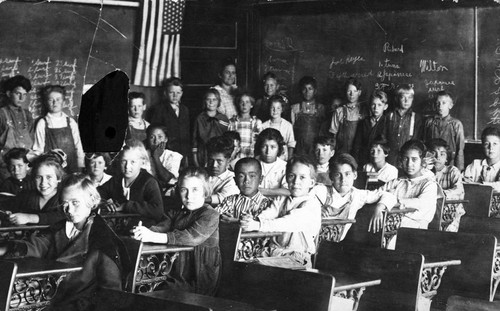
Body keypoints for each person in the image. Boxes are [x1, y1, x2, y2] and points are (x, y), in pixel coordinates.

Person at [0, 174, 128, 310]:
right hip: (51, 295)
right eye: (64, 204)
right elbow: (39, 244)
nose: (69, 210)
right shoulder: (61, 228)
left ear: (92, 200)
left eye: (75, 203)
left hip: (79, 303)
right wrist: (7, 248)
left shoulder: (103, 240)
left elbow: (111, 292)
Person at [132, 167, 221, 295]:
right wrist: (144, 232)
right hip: (172, 270)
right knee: (140, 283)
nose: (189, 196)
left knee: (152, 290)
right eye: (184, 190)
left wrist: (152, 236)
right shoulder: (177, 212)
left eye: (195, 190)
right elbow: (162, 226)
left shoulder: (210, 215)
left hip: (197, 276)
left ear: (205, 191)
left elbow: (191, 237)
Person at [241, 156, 322, 268]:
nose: (296, 182)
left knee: (257, 268)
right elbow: (266, 215)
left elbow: (287, 223)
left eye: (302, 177)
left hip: (297, 258)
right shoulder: (281, 199)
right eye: (292, 176)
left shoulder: (311, 205)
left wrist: (258, 225)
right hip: (272, 252)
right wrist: (251, 220)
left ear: (312, 183)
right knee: (244, 265)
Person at [319, 153, 393, 241]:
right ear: (331, 177)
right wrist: (315, 209)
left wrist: (379, 207)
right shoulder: (321, 191)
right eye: (338, 175)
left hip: (334, 244)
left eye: (347, 174)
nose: (343, 180)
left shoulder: (357, 195)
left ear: (355, 175)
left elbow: (388, 195)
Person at [370, 140, 438, 232]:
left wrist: (386, 203)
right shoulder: (397, 182)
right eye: (406, 159)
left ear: (422, 161)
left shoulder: (429, 184)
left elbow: (419, 204)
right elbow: (376, 194)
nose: (409, 164)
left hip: (415, 231)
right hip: (391, 226)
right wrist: (379, 206)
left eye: (414, 159)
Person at [98, 140, 163, 227]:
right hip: (119, 228)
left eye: (133, 162)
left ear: (142, 162)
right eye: (124, 161)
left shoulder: (149, 182)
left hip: (142, 230)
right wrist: (103, 202)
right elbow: (96, 194)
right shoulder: (117, 180)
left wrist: (126, 206)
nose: (127, 166)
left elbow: (157, 210)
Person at [3, 153, 66, 226]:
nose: (43, 183)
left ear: (59, 178)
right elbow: (6, 205)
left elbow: (61, 216)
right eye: (39, 177)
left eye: (49, 177)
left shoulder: (64, 198)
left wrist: (29, 218)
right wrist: (7, 213)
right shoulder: (27, 196)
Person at [33, 85, 85, 173]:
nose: (54, 103)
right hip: (52, 169)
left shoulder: (71, 122)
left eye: (58, 99)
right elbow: (38, 150)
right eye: (51, 100)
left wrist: (80, 168)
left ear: (63, 102)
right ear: (46, 103)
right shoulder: (42, 123)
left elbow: (78, 147)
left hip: (72, 167)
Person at [146, 77, 190, 166]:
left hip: (183, 150)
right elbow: (155, 130)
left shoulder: (185, 109)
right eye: (171, 92)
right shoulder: (159, 109)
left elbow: (187, 131)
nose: (175, 95)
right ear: (165, 93)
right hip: (167, 150)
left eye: (178, 93)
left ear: (182, 93)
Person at [0, 75, 34, 180]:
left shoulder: (27, 115)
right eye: (18, 93)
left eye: (24, 95)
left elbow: (31, 141)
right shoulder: (1, 114)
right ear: (9, 93)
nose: (21, 98)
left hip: (25, 167)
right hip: (6, 168)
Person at [427, 138, 465, 231]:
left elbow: (458, 191)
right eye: (433, 153)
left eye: (442, 154)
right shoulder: (426, 173)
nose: (438, 157)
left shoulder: (452, 171)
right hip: (432, 212)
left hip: (451, 214)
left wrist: (438, 194)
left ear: (447, 158)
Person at [423, 90, 465, 171]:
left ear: (450, 105)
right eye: (437, 103)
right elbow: (425, 144)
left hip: (449, 164)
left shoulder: (456, 124)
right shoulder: (429, 122)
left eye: (444, 103)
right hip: (431, 163)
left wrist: (459, 169)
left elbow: (460, 149)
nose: (440, 106)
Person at [386, 84, 423, 165]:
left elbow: (417, 140)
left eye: (409, 97)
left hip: (407, 159)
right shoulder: (389, 116)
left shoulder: (416, 118)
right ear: (397, 98)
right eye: (403, 97)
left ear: (412, 99)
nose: (406, 101)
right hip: (390, 158)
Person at [192, 88, 229, 167]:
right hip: (203, 153)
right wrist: (195, 160)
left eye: (214, 99)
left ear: (218, 101)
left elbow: (227, 139)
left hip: (220, 153)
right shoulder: (199, 118)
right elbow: (194, 140)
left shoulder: (223, 118)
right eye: (208, 99)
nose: (211, 102)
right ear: (204, 101)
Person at [330, 77, 368, 154]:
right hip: (341, 151)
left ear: (359, 92)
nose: (351, 94)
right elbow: (333, 135)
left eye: (355, 91)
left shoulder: (364, 111)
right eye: (349, 91)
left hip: (358, 152)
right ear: (345, 92)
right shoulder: (339, 111)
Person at [352, 90, 390, 167]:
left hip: (379, 162)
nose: (376, 108)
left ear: (385, 107)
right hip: (363, 161)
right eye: (373, 104)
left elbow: (388, 146)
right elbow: (357, 145)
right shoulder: (363, 122)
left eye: (379, 105)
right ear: (370, 105)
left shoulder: (388, 123)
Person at [291, 76, 325, 156]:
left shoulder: (320, 108)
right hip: (299, 148)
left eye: (310, 89)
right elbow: (291, 130)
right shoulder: (295, 108)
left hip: (315, 148)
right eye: (304, 89)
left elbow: (323, 130)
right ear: (301, 90)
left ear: (315, 91)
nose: (307, 92)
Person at [145, 124, 183, 189]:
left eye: (160, 137)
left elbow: (167, 179)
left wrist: (156, 157)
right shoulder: (142, 154)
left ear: (166, 139)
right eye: (152, 137)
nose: (156, 141)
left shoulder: (173, 156)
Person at [254, 128, 289, 197]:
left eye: (273, 147)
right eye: (264, 146)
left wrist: (263, 191)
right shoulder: (252, 164)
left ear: (279, 148)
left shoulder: (285, 167)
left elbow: (288, 191)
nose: (268, 152)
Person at [205, 136, 239, 207]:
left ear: (228, 161)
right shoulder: (201, 174)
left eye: (219, 161)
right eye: (211, 160)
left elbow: (224, 197)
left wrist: (198, 199)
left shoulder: (232, 179)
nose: (214, 165)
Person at [464, 126, 500, 192]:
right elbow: (465, 182)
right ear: (483, 146)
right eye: (487, 144)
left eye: (495, 144)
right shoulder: (476, 164)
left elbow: (498, 186)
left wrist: (476, 184)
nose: (491, 148)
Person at [228, 92, 262, 158]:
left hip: (251, 157)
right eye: (241, 102)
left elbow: (259, 143)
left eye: (247, 102)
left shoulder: (257, 122)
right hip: (236, 157)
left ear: (251, 105)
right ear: (238, 104)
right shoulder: (232, 122)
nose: (244, 105)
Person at [261, 95, 296, 160]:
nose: (275, 111)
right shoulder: (263, 126)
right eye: (272, 108)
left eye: (278, 108)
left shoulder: (288, 125)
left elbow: (291, 144)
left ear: (282, 109)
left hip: (283, 158)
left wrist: (289, 160)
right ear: (269, 108)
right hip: (268, 157)